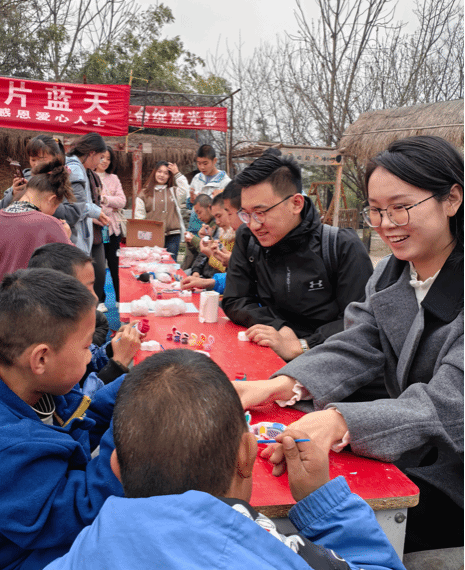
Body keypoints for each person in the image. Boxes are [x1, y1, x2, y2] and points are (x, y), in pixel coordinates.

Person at [233, 136, 464, 553]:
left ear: (452, 199)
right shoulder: (392, 273)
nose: (386, 223)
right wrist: (281, 385)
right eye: (376, 209)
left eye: (400, 207)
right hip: (408, 449)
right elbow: (358, 342)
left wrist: (341, 421)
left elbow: (448, 403)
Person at [43, 349, 404, 570]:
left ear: (116, 466)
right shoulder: (275, 553)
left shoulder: (77, 553)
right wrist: (323, 502)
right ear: (246, 455)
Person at [0, 269, 125, 570]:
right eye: (85, 347)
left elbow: (78, 422)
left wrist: (134, 386)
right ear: (41, 359)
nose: (91, 356)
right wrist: (130, 435)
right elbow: (77, 511)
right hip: (11, 553)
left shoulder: (26, 385)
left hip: (39, 510)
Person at [222, 154, 374, 364]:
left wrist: (304, 345)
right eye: (246, 214)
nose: (254, 224)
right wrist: (279, 327)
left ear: (296, 203)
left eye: (261, 212)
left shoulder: (341, 245)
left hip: (329, 360)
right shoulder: (248, 238)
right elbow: (234, 299)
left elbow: (360, 320)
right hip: (269, 352)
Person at [28, 244, 141, 376]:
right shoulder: (53, 341)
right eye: (86, 290)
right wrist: (118, 364)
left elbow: (90, 360)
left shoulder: (72, 327)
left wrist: (113, 347)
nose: (95, 297)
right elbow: (82, 389)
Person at [0, 159, 74, 286]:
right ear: (51, 199)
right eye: (56, 206)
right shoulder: (50, 224)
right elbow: (74, 267)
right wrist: (66, 237)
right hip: (25, 297)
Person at [0, 134, 85, 232]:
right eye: (33, 160)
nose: (36, 164)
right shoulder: (27, 177)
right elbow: (2, 209)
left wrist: (42, 200)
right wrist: (14, 194)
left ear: (56, 156)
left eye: (42, 159)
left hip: (57, 235)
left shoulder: (70, 179)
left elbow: (73, 215)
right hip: (26, 234)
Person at [172, 145, 231, 269]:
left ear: (214, 161)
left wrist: (219, 195)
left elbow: (228, 208)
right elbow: (190, 206)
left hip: (211, 233)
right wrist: (191, 200)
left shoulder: (225, 182)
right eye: (199, 163)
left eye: (205, 163)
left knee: (205, 264)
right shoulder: (197, 178)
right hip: (194, 229)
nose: (202, 167)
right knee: (185, 265)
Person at [65, 132, 110, 256]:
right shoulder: (74, 169)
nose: (101, 161)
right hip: (75, 239)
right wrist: (96, 212)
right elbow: (76, 206)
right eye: (101, 157)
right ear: (92, 153)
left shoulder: (80, 168)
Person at [134, 160, 187, 262]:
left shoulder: (173, 191)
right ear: (154, 172)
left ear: (169, 176)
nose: (162, 175)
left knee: (170, 264)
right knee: (152, 264)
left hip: (172, 235)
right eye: (159, 171)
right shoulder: (144, 194)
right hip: (151, 236)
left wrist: (177, 173)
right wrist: (142, 238)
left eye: (166, 173)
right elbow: (139, 217)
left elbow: (185, 190)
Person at [96, 145, 126, 305]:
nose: (105, 161)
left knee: (115, 264)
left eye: (108, 158)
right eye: (102, 157)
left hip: (113, 229)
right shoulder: (89, 176)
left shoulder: (114, 178)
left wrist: (104, 199)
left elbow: (122, 201)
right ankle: (100, 300)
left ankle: (120, 299)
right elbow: (90, 204)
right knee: (98, 265)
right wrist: (110, 206)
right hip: (96, 228)